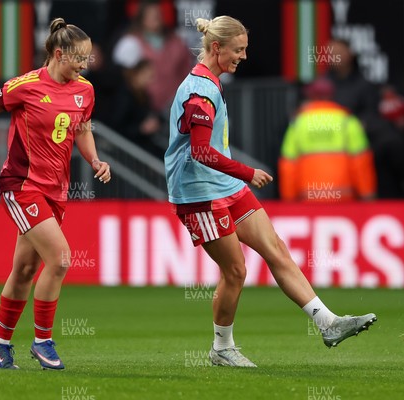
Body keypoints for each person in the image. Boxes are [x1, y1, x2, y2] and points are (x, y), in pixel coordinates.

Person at [164, 16, 377, 367]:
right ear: (217, 48)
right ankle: (222, 348)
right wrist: (248, 172)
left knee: (276, 248)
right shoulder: (200, 91)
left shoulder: (210, 82)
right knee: (235, 272)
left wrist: (238, 177)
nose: (243, 57)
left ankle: (328, 323)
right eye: (238, 50)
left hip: (224, 185)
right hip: (198, 192)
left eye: (245, 49)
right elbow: (200, 151)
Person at [0, 18, 111, 369]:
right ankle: (43, 342)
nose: (85, 65)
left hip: (56, 190)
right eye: (79, 58)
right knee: (60, 259)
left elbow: (82, 128)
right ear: (59, 54)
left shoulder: (84, 90)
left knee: (25, 269)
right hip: (22, 185)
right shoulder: (25, 85)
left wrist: (95, 158)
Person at [279, 77, 377, 202]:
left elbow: (288, 165)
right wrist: (368, 195)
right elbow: (361, 161)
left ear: (311, 96)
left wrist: (288, 200)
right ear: (332, 95)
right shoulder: (347, 121)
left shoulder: (298, 123)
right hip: (344, 198)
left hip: (308, 198)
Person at [112, 0, 191, 113]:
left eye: (159, 14)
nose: (156, 18)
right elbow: (122, 82)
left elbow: (187, 72)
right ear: (142, 18)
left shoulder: (177, 42)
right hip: (143, 110)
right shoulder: (131, 43)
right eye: (151, 15)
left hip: (176, 107)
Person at [104, 58, 165, 158]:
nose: (150, 81)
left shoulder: (144, 95)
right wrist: (141, 129)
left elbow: (152, 113)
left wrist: (156, 121)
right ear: (138, 73)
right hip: (127, 148)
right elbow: (116, 126)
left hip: (140, 143)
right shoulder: (124, 95)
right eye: (148, 77)